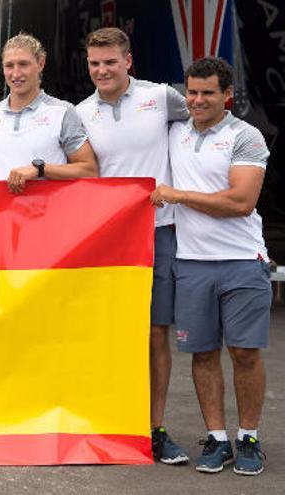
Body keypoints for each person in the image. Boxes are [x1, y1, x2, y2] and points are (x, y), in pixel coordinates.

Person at [75, 27, 190, 465]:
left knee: (156, 331)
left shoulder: (163, 98)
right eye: (94, 63)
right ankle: (107, 419)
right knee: (106, 331)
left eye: (110, 61)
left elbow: (205, 123)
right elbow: (76, 169)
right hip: (104, 237)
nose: (101, 70)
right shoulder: (80, 112)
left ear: (128, 61)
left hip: (159, 229)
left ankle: (154, 428)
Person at [151, 57, 271, 476]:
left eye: (207, 93)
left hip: (241, 261)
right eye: (192, 92)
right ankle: (218, 439)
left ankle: (250, 437)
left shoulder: (246, 136)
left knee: (243, 354)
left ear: (227, 96)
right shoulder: (174, 132)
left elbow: (241, 202)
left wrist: (178, 195)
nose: (198, 100)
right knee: (202, 354)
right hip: (191, 263)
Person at [0, 33, 97, 193]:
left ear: (41, 63)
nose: (16, 74)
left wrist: (40, 169)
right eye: (9, 66)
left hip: (47, 215)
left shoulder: (62, 112)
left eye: (23, 64)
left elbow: (89, 171)